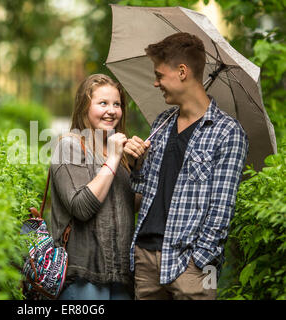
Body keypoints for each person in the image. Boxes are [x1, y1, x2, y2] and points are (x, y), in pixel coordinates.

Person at [124, 33, 249, 300]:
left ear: (182, 72)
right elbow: (144, 191)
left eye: (159, 75)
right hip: (146, 259)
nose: (155, 82)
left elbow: (221, 210)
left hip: (192, 268)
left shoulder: (227, 132)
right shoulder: (161, 122)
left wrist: (199, 261)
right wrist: (136, 165)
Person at [50, 74, 140, 300]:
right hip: (83, 276)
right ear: (84, 106)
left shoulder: (117, 151)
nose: (112, 111)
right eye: (103, 103)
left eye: (117, 104)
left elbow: (132, 204)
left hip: (120, 275)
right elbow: (81, 207)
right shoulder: (69, 146)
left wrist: (138, 166)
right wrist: (113, 160)